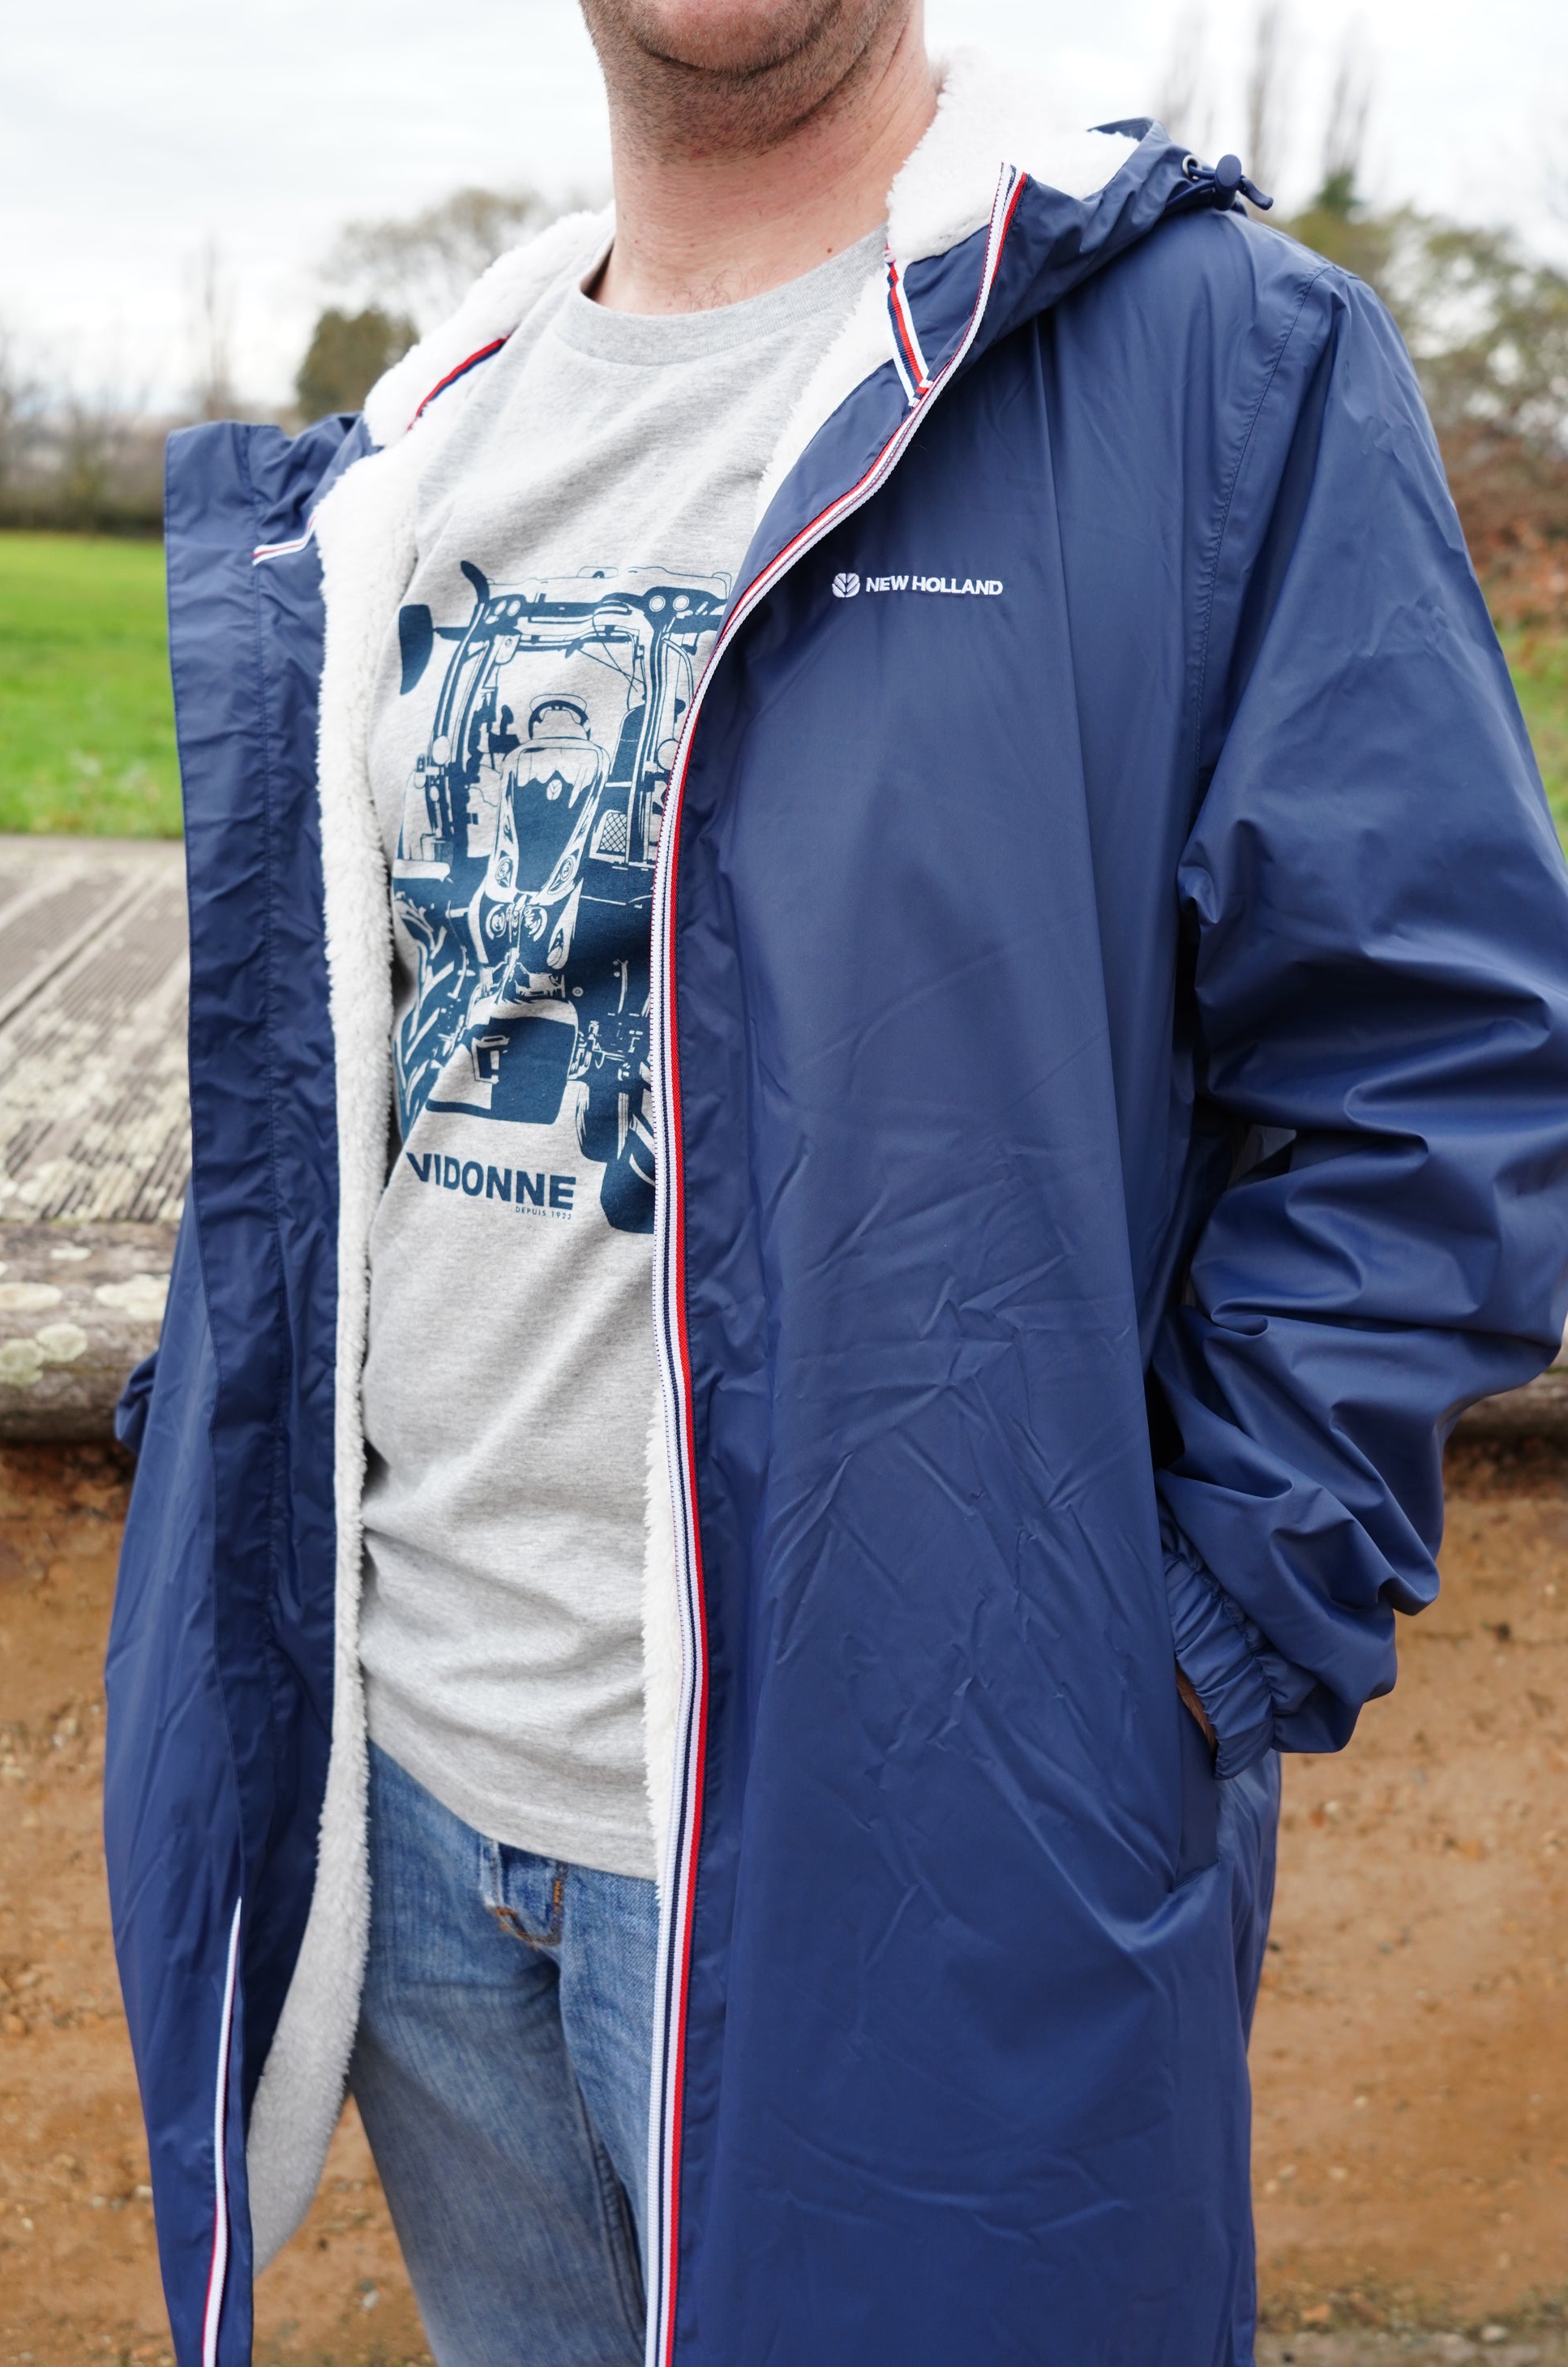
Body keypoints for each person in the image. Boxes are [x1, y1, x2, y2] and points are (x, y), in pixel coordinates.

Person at [104, 3, 1568, 2363]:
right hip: (420, 1819)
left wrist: (1174, 1660)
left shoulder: (1220, 363)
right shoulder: (421, 443)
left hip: (920, 1851)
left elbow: (1442, 1066)